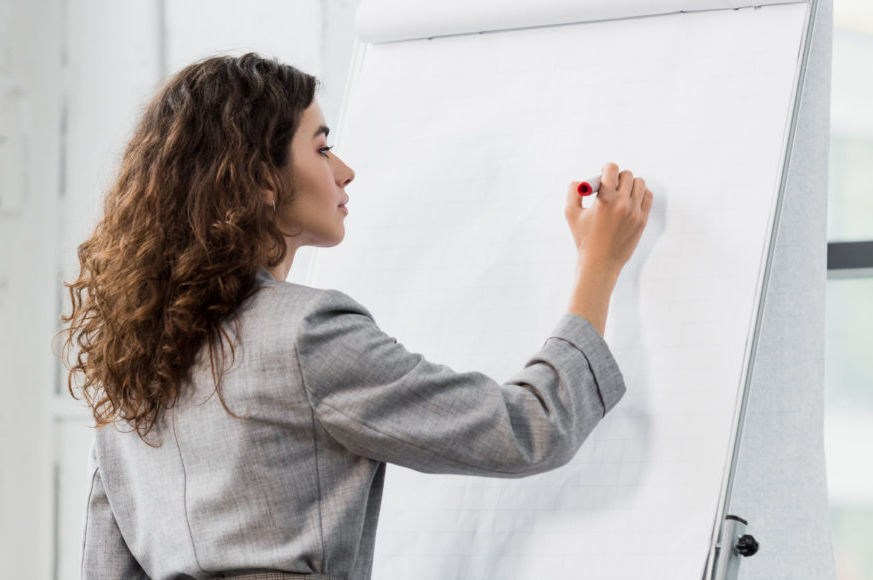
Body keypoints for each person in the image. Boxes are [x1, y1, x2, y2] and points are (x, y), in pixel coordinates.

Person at [62, 53, 653, 580]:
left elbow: (104, 570)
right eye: (321, 147)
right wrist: (598, 265)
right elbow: (529, 429)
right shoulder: (306, 335)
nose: (343, 170)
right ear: (263, 180)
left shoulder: (131, 360)